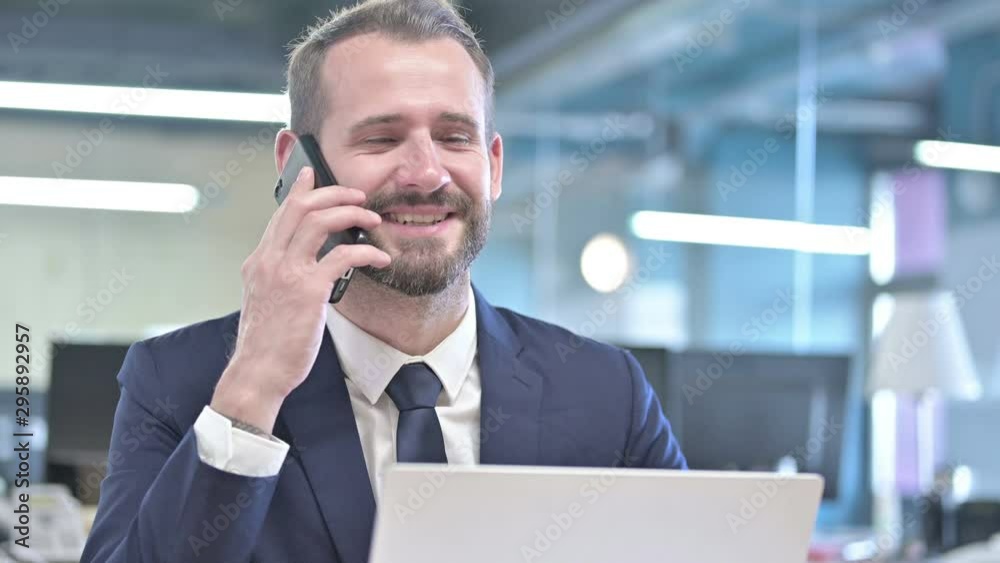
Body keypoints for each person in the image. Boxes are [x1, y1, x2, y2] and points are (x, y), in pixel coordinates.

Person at [81, 1, 686, 561]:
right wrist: (252, 392)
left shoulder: (607, 394)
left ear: (493, 166)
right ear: (300, 167)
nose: (426, 173)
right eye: (381, 137)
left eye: (454, 137)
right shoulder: (179, 382)